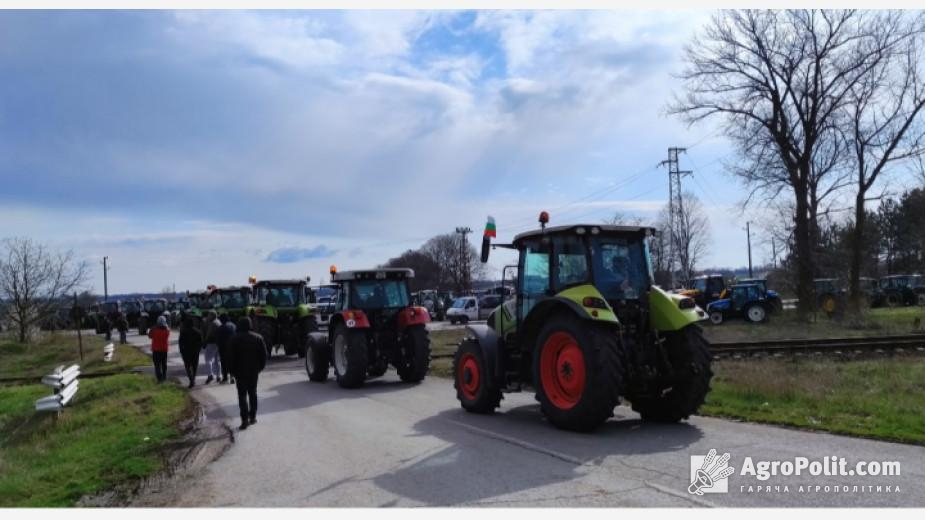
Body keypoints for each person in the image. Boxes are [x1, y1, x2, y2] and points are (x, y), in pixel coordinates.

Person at [229, 317, 267, 431]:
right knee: (253, 393)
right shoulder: (258, 338)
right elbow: (264, 356)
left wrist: (232, 372)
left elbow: (230, 357)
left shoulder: (234, 339)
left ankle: (244, 419)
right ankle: (253, 417)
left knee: (242, 395)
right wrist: (259, 368)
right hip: (253, 371)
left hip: (239, 372)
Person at [178, 315, 203, 388]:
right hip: (195, 351)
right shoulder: (197, 332)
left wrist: (181, 350)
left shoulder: (183, 332)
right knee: (195, 365)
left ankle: (191, 379)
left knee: (187, 366)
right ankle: (193, 378)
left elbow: (180, 342)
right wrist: (199, 349)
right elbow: (201, 342)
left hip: (186, 351)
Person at [148, 315, 171, 383]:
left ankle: (159, 378)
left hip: (156, 350)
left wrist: (152, 328)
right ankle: (164, 377)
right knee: (164, 364)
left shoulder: (154, 329)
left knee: (157, 365)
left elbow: (150, 336)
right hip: (164, 349)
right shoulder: (167, 330)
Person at [202, 311, 222, 384]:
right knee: (217, 360)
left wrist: (204, 342)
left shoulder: (212, 323)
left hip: (211, 343)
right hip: (218, 343)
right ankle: (218, 376)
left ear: (212, 316)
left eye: (209, 315)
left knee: (208, 359)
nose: (207, 316)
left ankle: (210, 375)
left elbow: (208, 334)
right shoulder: (218, 322)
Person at [216, 314, 237, 384]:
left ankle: (225, 378)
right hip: (233, 347)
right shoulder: (234, 326)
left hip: (224, 347)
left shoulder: (221, 327)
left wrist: (218, 346)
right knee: (232, 362)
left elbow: (218, 339)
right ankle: (232, 376)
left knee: (224, 363)